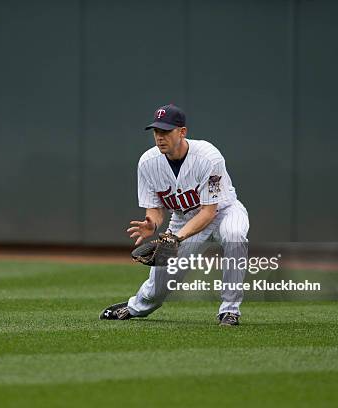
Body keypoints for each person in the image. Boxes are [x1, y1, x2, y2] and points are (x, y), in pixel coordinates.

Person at [99, 104, 249, 326]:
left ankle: (230, 310)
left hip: (224, 212)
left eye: (166, 131)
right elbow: (155, 207)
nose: (160, 137)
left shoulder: (209, 157)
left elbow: (209, 212)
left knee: (234, 235)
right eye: (157, 131)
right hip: (183, 219)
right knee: (159, 284)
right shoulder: (148, 163)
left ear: (182, 132)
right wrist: (153, 223)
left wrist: (176, 238)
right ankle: (136, 307)